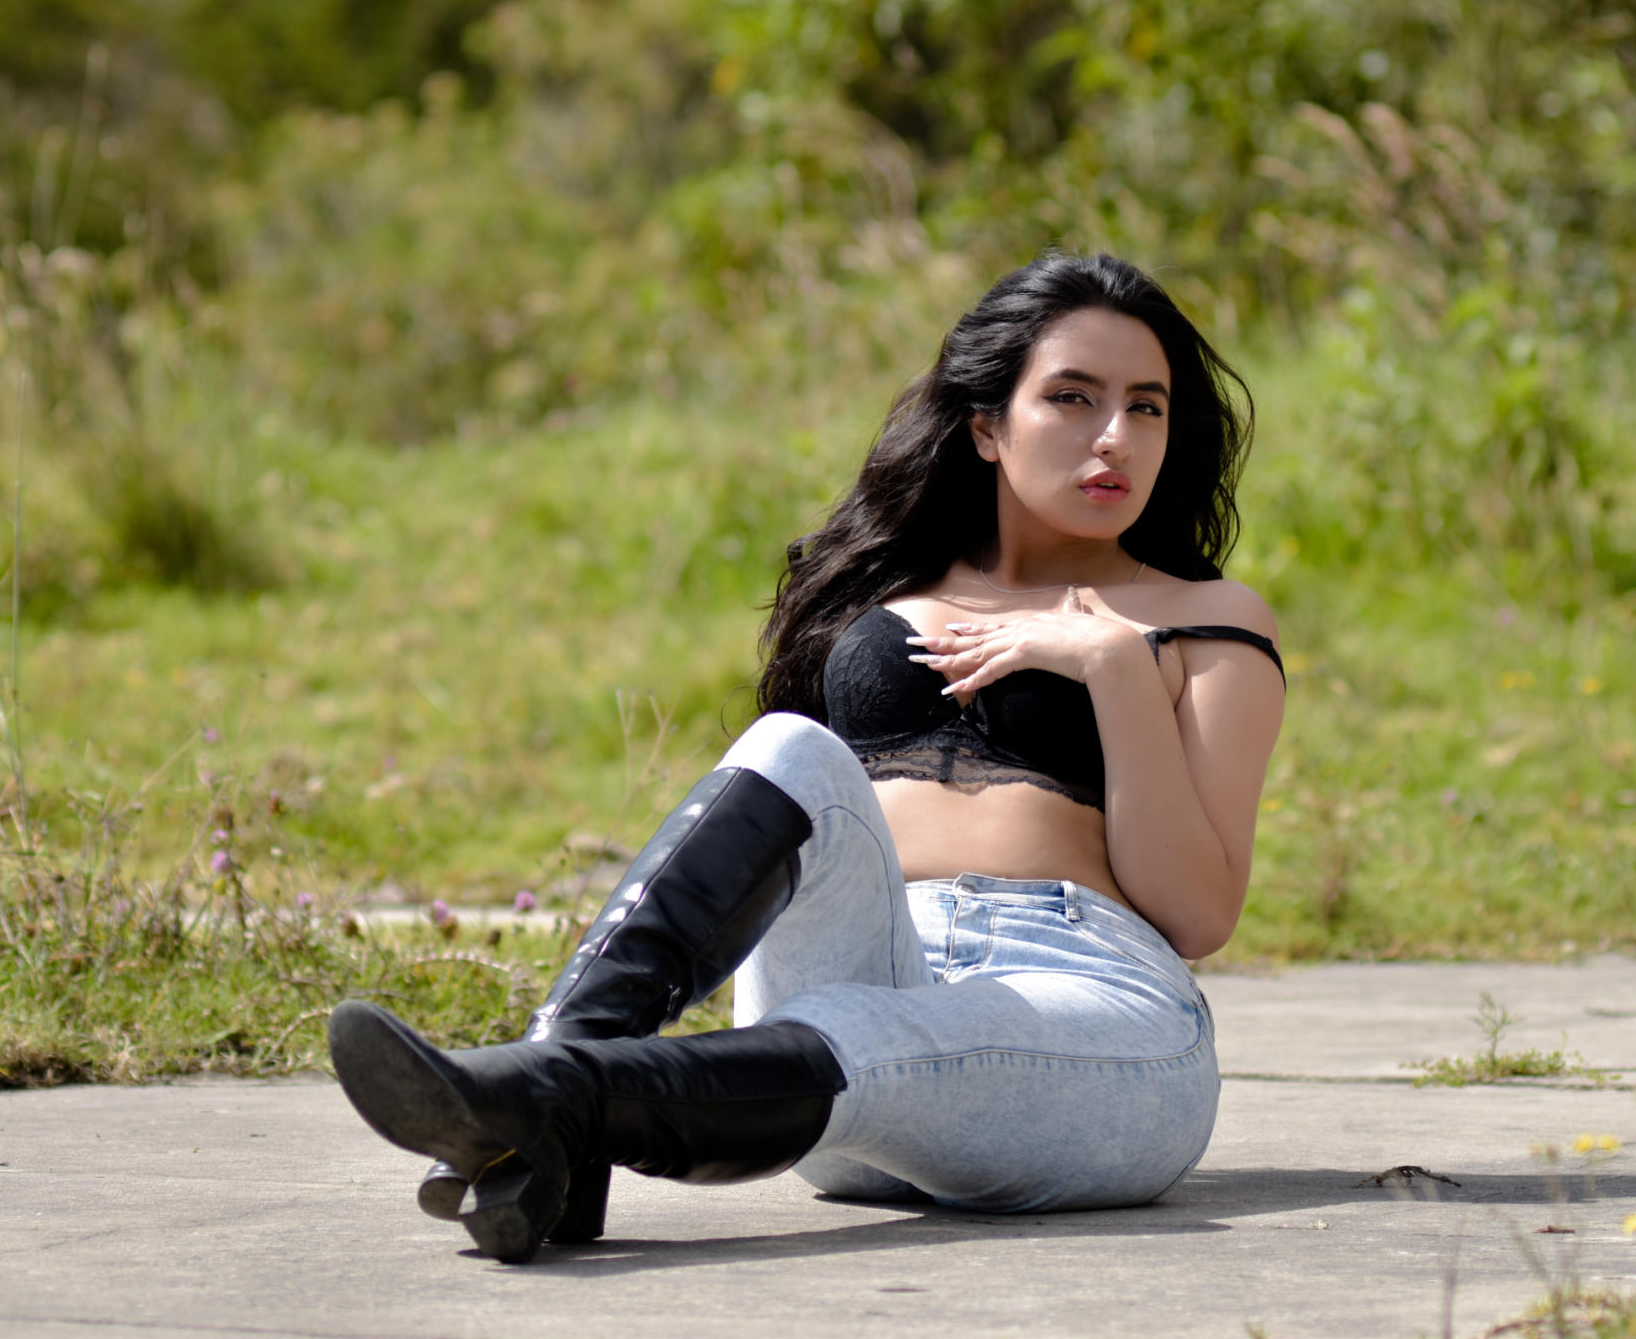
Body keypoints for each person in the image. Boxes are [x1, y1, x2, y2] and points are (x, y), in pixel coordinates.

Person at [327, 252, 1287, 1263]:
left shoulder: (1206, 619)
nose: (1114, 436)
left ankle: (541, 1109)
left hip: (1090, 1021)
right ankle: (558, 1066)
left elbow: (1196, 913)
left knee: (865, 1034)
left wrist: (1115, 666)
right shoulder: (884, 591)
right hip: (865, 992)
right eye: (1072, 397)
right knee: (790, 745)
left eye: (1146, 407)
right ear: (987, 426)